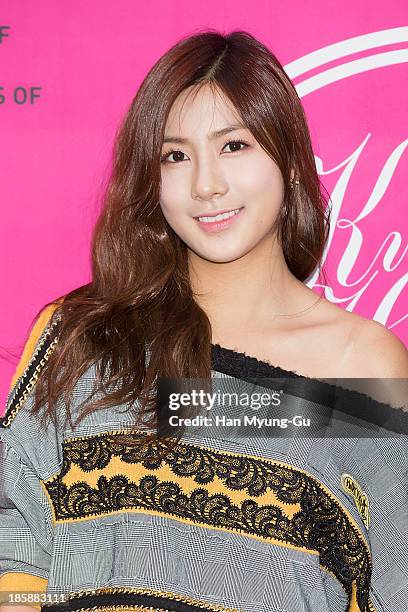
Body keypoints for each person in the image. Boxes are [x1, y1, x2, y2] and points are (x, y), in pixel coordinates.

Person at [1, 30, 407, 612]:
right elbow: (13, 536)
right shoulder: (84, 339)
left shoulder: (361, 364)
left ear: (290, 162)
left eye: (234, 146)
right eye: (176, 155)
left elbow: (394, 586)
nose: (206, 185)